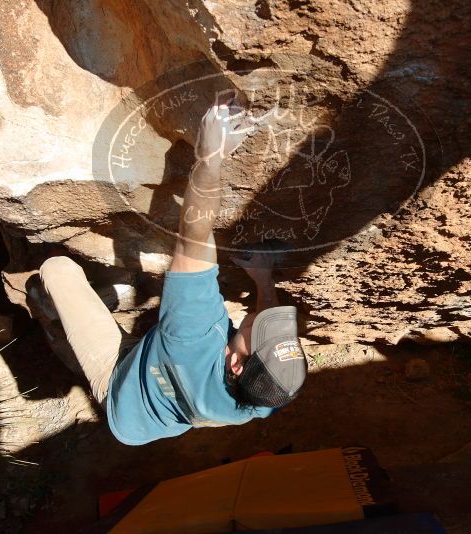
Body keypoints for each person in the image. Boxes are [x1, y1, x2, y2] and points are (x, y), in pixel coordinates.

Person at [36, 93, 307, 445]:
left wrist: (211, 158)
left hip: (123, 399)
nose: (272, 323)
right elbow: (265, 332)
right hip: (165, 396)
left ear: (236, 366)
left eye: (265, 335)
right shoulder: (270, 391)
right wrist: (263, 278)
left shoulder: (191, 335)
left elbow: (192, 238)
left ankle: (41, 310)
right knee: (164, 349)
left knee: (56, 268)